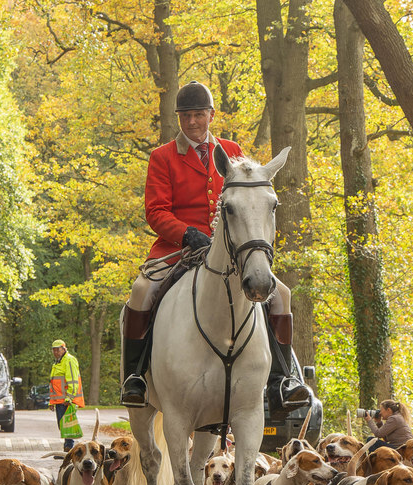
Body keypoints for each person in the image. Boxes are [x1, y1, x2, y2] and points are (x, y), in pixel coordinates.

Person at [119, 81, 310, 412]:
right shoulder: (162, 157)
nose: (192, 122)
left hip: (230, 250)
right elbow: (155, 212)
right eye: (185, 116)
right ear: (179, 118)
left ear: (210, 115)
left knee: (282, 295)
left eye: (198, 115)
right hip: (179, 249)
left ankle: (283, 378)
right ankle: (134, 378)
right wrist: (187, 233)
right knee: (140, 290)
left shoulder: (231, 150)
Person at [49, 339, 85, 451]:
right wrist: (52, 401)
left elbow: (73, 381)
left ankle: (69, 449)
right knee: (63, 426)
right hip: (60, 401)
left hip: (66, 401)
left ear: (64, 349)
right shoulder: (58, 362)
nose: (55, 352)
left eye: (57, 350)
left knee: (67, 426)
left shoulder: (69, 360)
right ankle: (69, 449)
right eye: (54, 350)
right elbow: (55, 384)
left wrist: (70, 397)